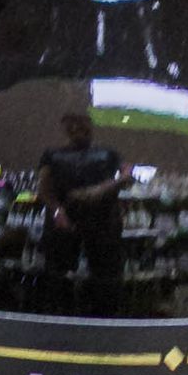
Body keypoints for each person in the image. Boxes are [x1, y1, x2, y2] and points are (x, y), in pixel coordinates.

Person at [36, 110, 126, 307]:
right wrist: (57, 211)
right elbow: (44, 188)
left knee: (105, 278)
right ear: (64, 128)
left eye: (82, 122)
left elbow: (127, 174)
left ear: (91, 125)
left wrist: (100, 190)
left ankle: (103, 317)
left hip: (103, 227)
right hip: (63, 226)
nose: (76, 128)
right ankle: (61, 317)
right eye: (71, 123)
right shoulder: (52, 154)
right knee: (58, 278)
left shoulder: (108, 153)